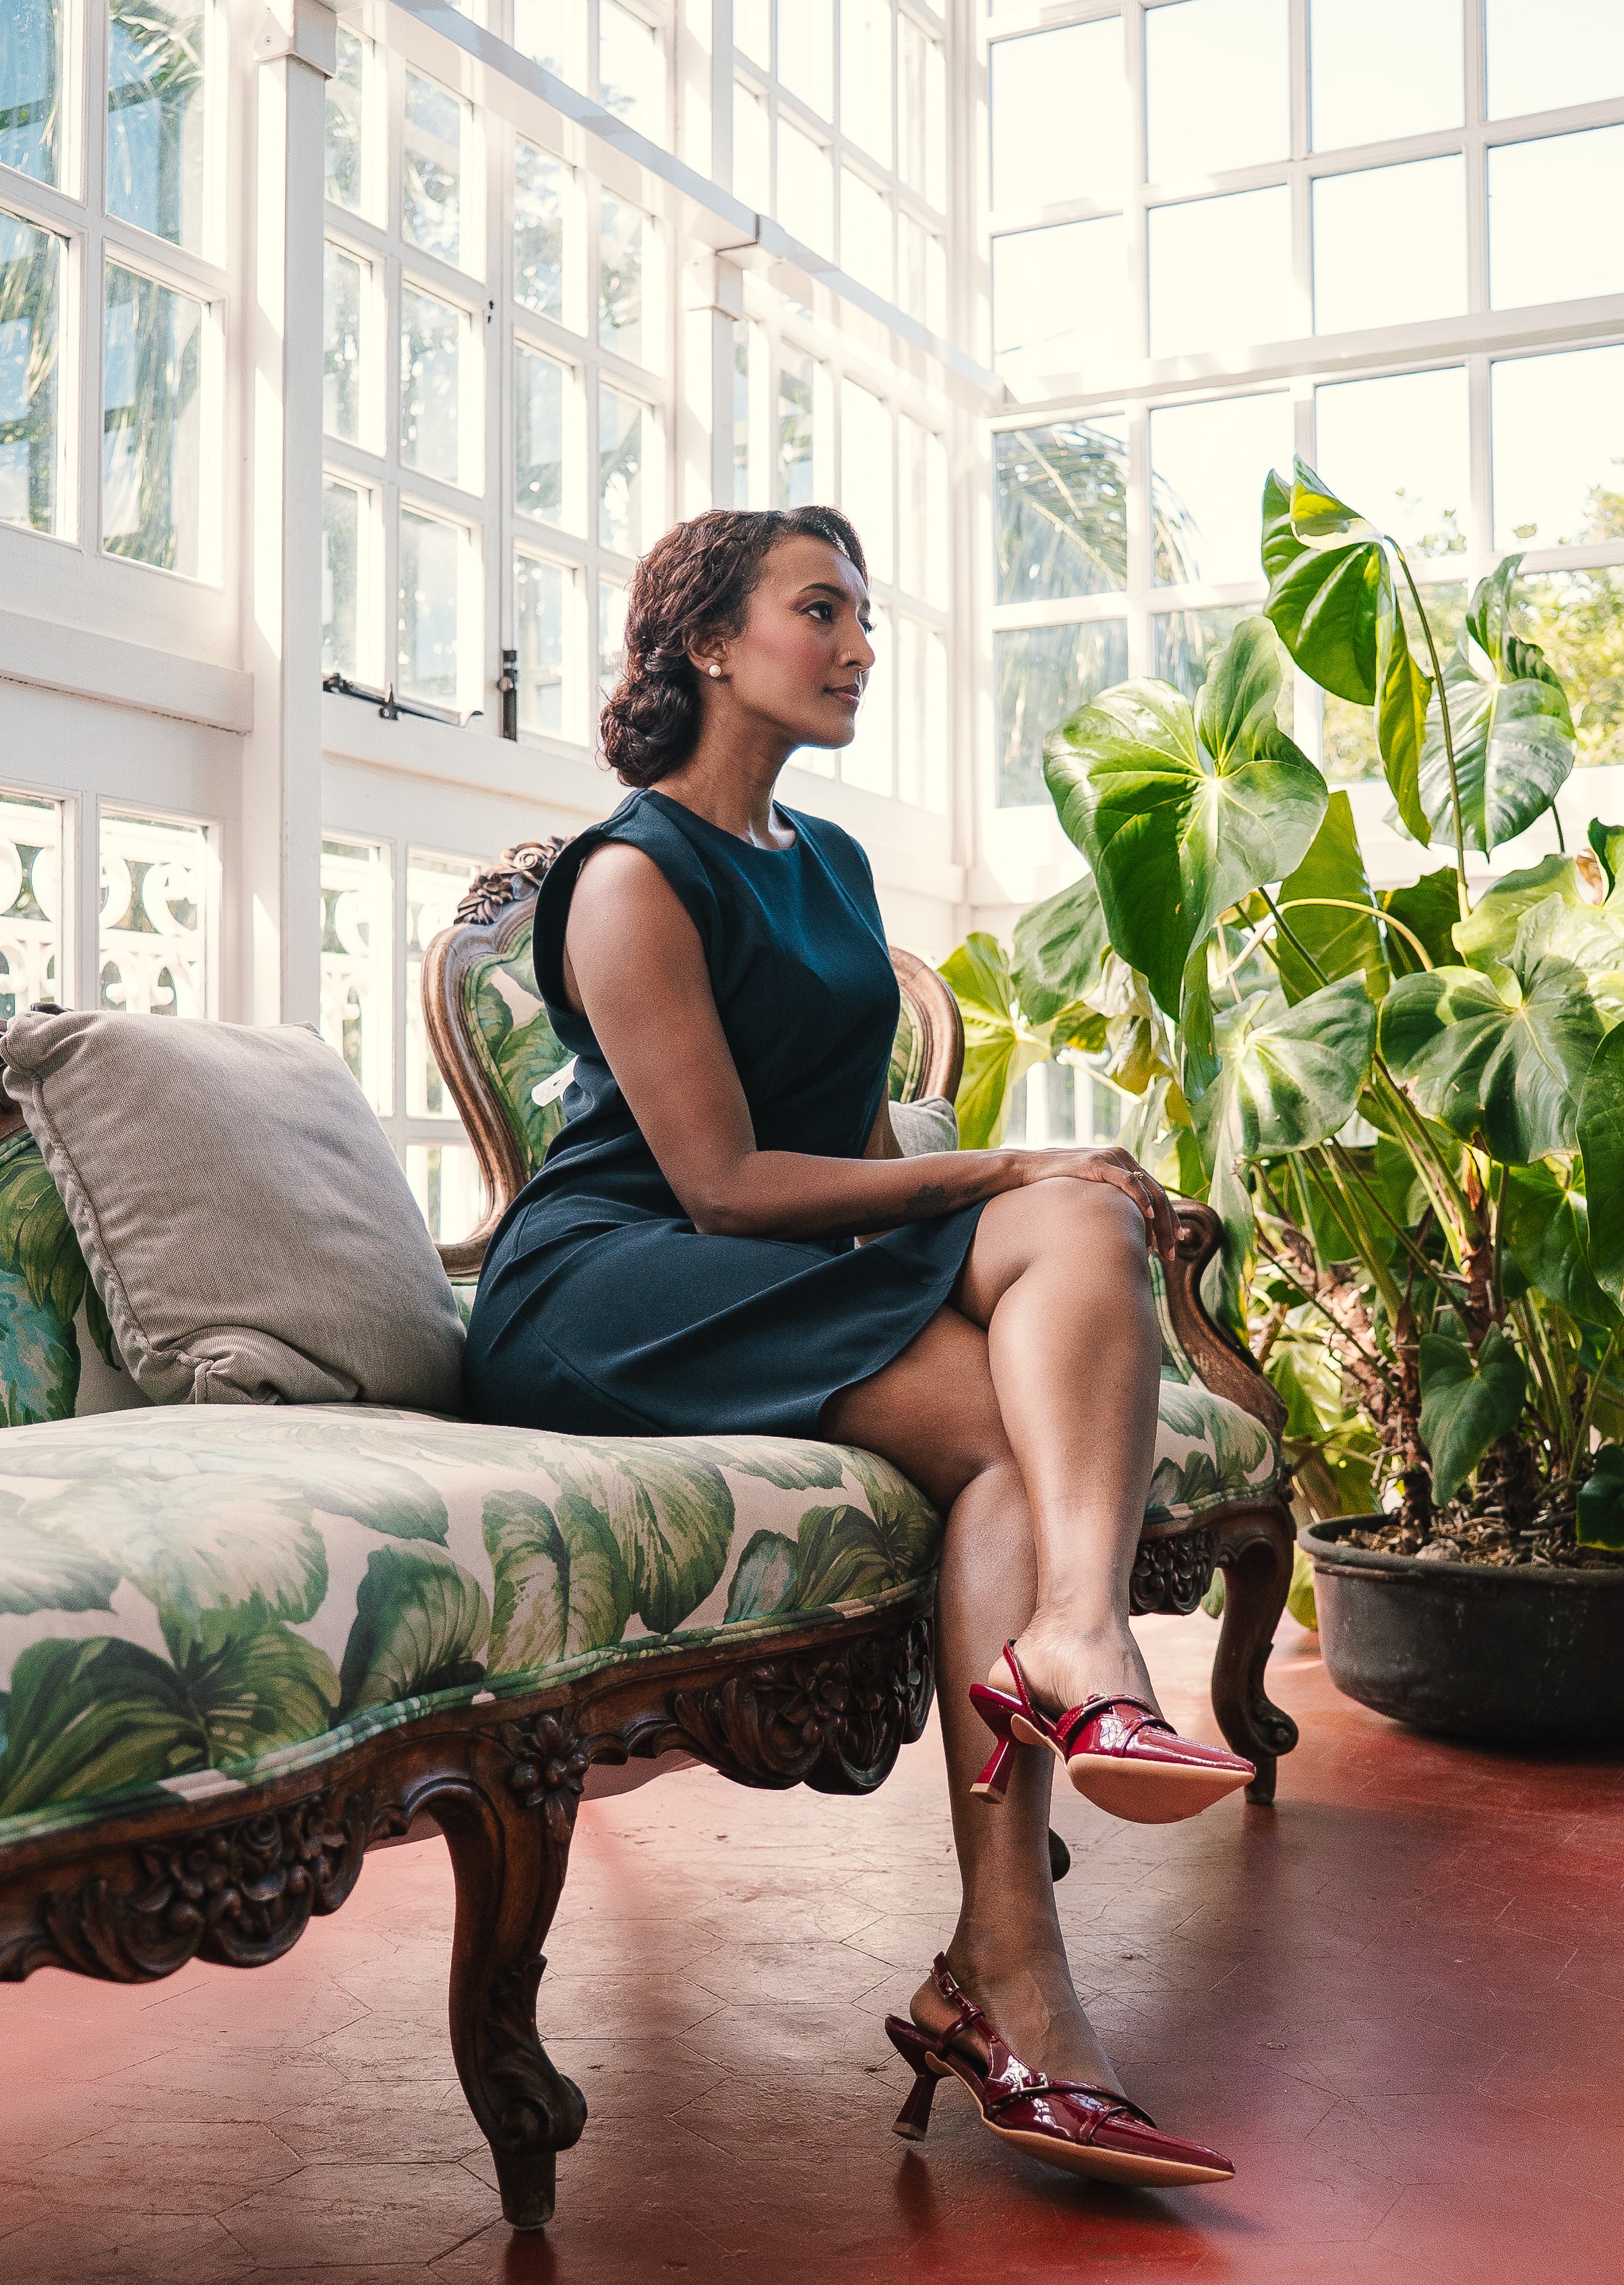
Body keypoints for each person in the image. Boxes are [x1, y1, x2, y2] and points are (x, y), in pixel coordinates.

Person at [465, 506, 1251, 2189]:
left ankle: (1067, 1686)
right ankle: (1015, 1974)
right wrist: (995, 1160)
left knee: (1088, 1221)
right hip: (616, 1283)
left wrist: (1033, 1181)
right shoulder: (628, 875)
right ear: (704, 643)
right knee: (1035, 1224)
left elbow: (860, 1171)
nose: (859, 647)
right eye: (820, 612)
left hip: (786, 1256)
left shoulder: (828, 863)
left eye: (864, 617)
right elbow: (727, 1186)